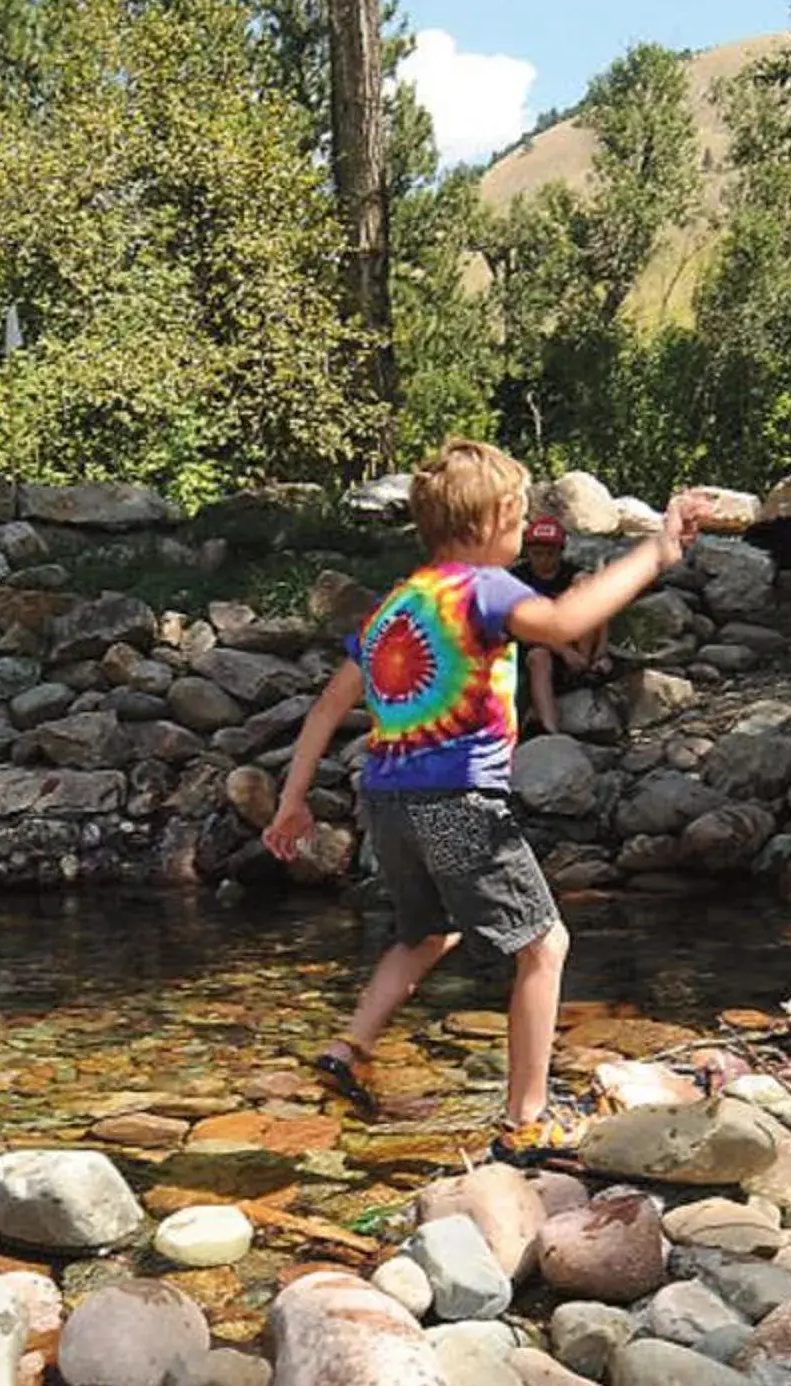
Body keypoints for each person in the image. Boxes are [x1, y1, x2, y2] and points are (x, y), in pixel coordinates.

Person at [265, 440, 707, 1160]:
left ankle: (350, 1047)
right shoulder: (484, 587)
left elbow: (324, 709)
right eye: (520, 513)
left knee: (426, 933)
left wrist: (292, 802)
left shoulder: (395, 608)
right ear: (497, 518)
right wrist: (655, 554)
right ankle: (527, 1119)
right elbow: (565, 624)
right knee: (544, 944)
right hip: (457, 801)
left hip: (388, 802)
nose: (525, 524)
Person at [514, 514, 609, 733]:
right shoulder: (518, 578)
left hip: (572, 639)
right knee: (540, 657)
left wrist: (601, 651)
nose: (544, 560)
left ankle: (584, 666)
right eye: (537, 554)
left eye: (550, 554)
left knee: (585, 587)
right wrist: (565, 652)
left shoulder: (572, 574)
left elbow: (600, 609)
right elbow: (525, 627)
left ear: (560, 552)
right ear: (528, 552)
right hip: (532, 643)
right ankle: (550, 727)